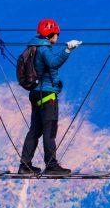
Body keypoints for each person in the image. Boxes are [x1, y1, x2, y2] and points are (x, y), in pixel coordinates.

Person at [19, 18, 82, 175]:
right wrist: (68, 50)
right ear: (50, 34)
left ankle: (25, 165)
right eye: (57, 35)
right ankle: (51, 165)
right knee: (49, 130)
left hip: (35, 93)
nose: (58, 37)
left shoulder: (33, 47)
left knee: (35, 130)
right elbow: (54, 63)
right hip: (47, 96)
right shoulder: (44, 49)